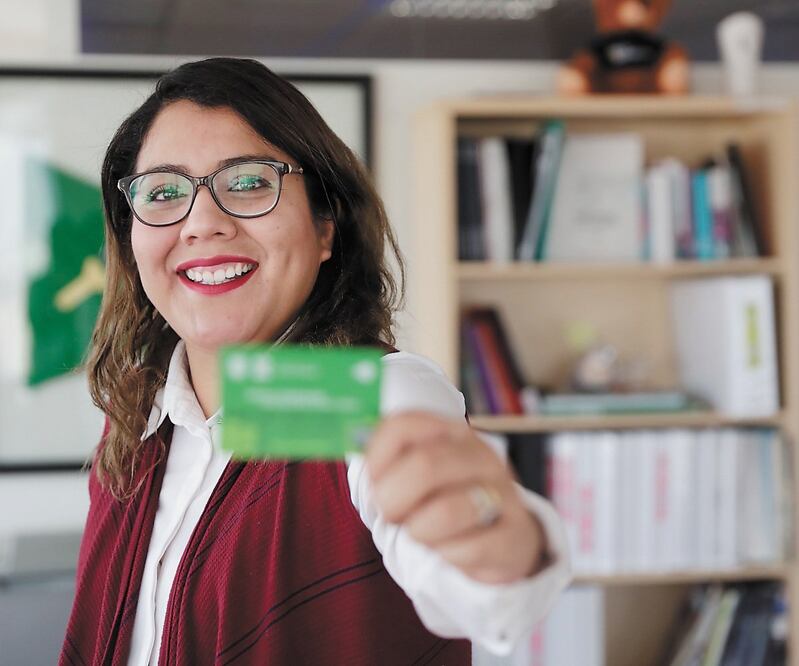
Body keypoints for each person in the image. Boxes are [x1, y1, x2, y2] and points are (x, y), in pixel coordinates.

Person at [60, 57, 569, 666]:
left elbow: (479, 582)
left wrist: (495, 542)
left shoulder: (357, 393)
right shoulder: (137, 429)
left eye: (248, 183)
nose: (201, 224)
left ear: (325, 226)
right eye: (164, 193)